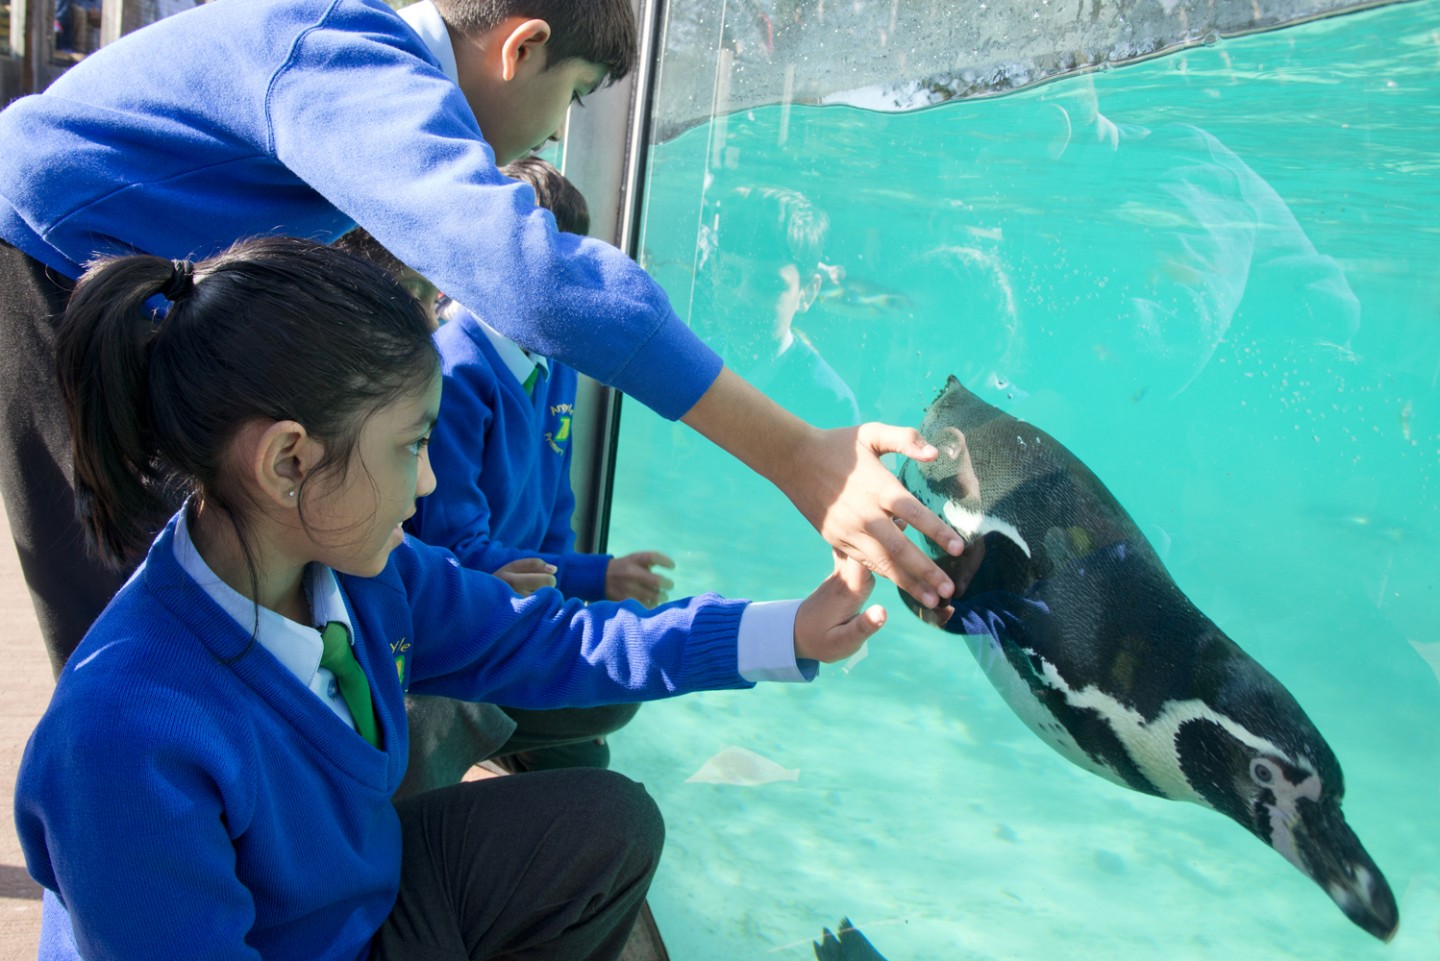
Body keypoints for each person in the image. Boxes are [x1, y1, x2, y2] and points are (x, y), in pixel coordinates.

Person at [0, 0, 963, 679]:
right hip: (40, 271)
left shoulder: (347, 52)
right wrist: (799, 455)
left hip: (102, 272)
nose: (559, 129)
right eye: (577, 92)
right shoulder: (344, 54)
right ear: (522, 47)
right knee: (139, 631)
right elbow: (530, 273)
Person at [14, 237, 887, 961]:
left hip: (359, 908)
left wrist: (783, 632)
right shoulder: (123, 739)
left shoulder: (365, 574)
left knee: (608, 822)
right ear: (289, 461)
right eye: (412, 445)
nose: (428, 479)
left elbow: (552, 641)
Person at [403, 158, 675, 790]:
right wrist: (595, 575)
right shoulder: (455, 372)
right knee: (602, 707)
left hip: (523, 600)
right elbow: (454, 546)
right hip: (465, 610)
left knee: (591, 761)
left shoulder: (554, 362)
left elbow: (557, 506)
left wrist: (568, 593)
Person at [694, 184, 861, 429]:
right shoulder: (694, 364)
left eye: (769, 284)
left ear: (807, 292)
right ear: (715, 270)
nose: (742, 297)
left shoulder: (831, 403)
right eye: (730, 276)